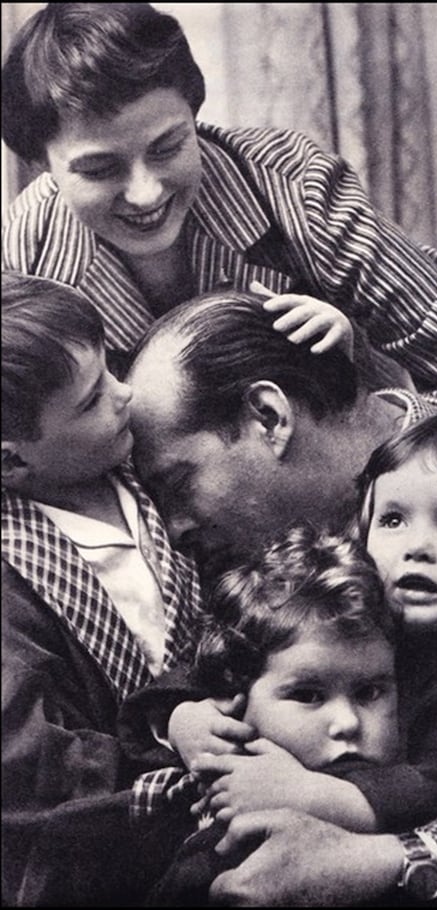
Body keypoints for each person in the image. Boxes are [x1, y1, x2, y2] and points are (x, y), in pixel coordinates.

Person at [2, 3, 437, 616]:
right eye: (98, 169)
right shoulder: (30, 258)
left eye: (168, 146)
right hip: (183, 558)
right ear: (44, 166)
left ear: (195, 113)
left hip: (373, 511)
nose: (144, 190)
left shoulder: (290, 184)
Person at [126, 290, 437, 904]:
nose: (176, 529)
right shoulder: (279, 561)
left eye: (179, 483)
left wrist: (393, 859)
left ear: (269, 416)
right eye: (390, 522)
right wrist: (181, 716)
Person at [1, 272, 203, 907]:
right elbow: (26, 755)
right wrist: (165, 745)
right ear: (10, 461)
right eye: (91, 401)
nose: (125, 394)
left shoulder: (139, 462)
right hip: (110, 837)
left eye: (113, 368)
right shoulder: (9, 572)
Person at [123, 524, 400, 905]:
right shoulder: (207, 778)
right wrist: (179, 717)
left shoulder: (420, 786)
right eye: (308, 695)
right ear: (234, 697)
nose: (348, 723)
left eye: (370, 692)